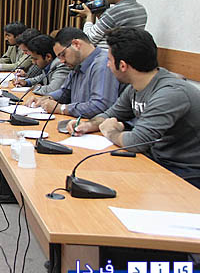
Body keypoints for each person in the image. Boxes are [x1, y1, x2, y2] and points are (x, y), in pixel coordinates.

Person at [68, 28, 200, 188]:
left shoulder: (170, 94)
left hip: (185, 174)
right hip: (156, 161)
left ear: (123, 65)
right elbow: (111, 114)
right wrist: (87, 125)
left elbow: (137, 142)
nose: (107, 65)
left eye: (109, 60)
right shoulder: (136, 87)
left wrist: (110, 132)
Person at [25, 27, 120, 118]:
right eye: (59, 57)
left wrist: (62, 108)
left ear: (76, 44)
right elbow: (65, 92)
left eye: (63, 55)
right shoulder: (76, 64)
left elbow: (100, 106)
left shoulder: (103, 64)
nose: (62, 61)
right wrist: (47, 98)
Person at [74, 0, 147, 49]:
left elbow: (89, 39)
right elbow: (110, 29)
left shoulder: (114, 11)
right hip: (128, 53)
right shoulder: (141, 9)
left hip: (108, 55)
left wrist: (88, 16)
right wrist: (100, 14)